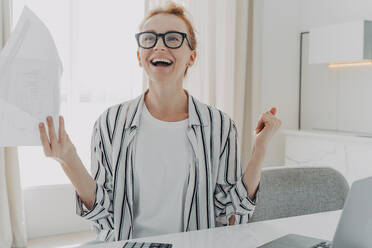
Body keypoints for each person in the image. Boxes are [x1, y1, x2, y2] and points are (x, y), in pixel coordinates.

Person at [38, 1, 281, 243]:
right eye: (149, 39)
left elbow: (232, 214)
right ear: (139, 56)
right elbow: (104, 213)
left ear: (191, 57)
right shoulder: (109, 123)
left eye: (173, 39)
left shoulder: (220, 126)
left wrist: (259, 151)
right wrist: (69, 159)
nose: (160, 46)